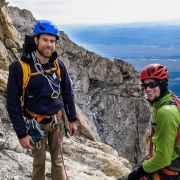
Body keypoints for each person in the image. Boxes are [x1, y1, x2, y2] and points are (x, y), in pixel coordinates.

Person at [7, 20, 77, 180]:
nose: (49, 45)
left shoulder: (58, 65)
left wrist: (72, 119)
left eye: (52, 41)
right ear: (36, 40)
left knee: (58, 162)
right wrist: (21, 134)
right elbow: (12, 103)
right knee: (38, 164)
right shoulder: (20, 67)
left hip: (56, 121)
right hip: (35, 124)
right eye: (45, 40)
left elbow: (67, 92)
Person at [128, 64, 180, 180]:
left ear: (162, 84)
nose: (147, 89)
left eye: (152, 84)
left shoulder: (165, 112)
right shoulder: (170, 100)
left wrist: (140, 171)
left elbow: (163, 158)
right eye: (145, 86)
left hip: (171, 169)